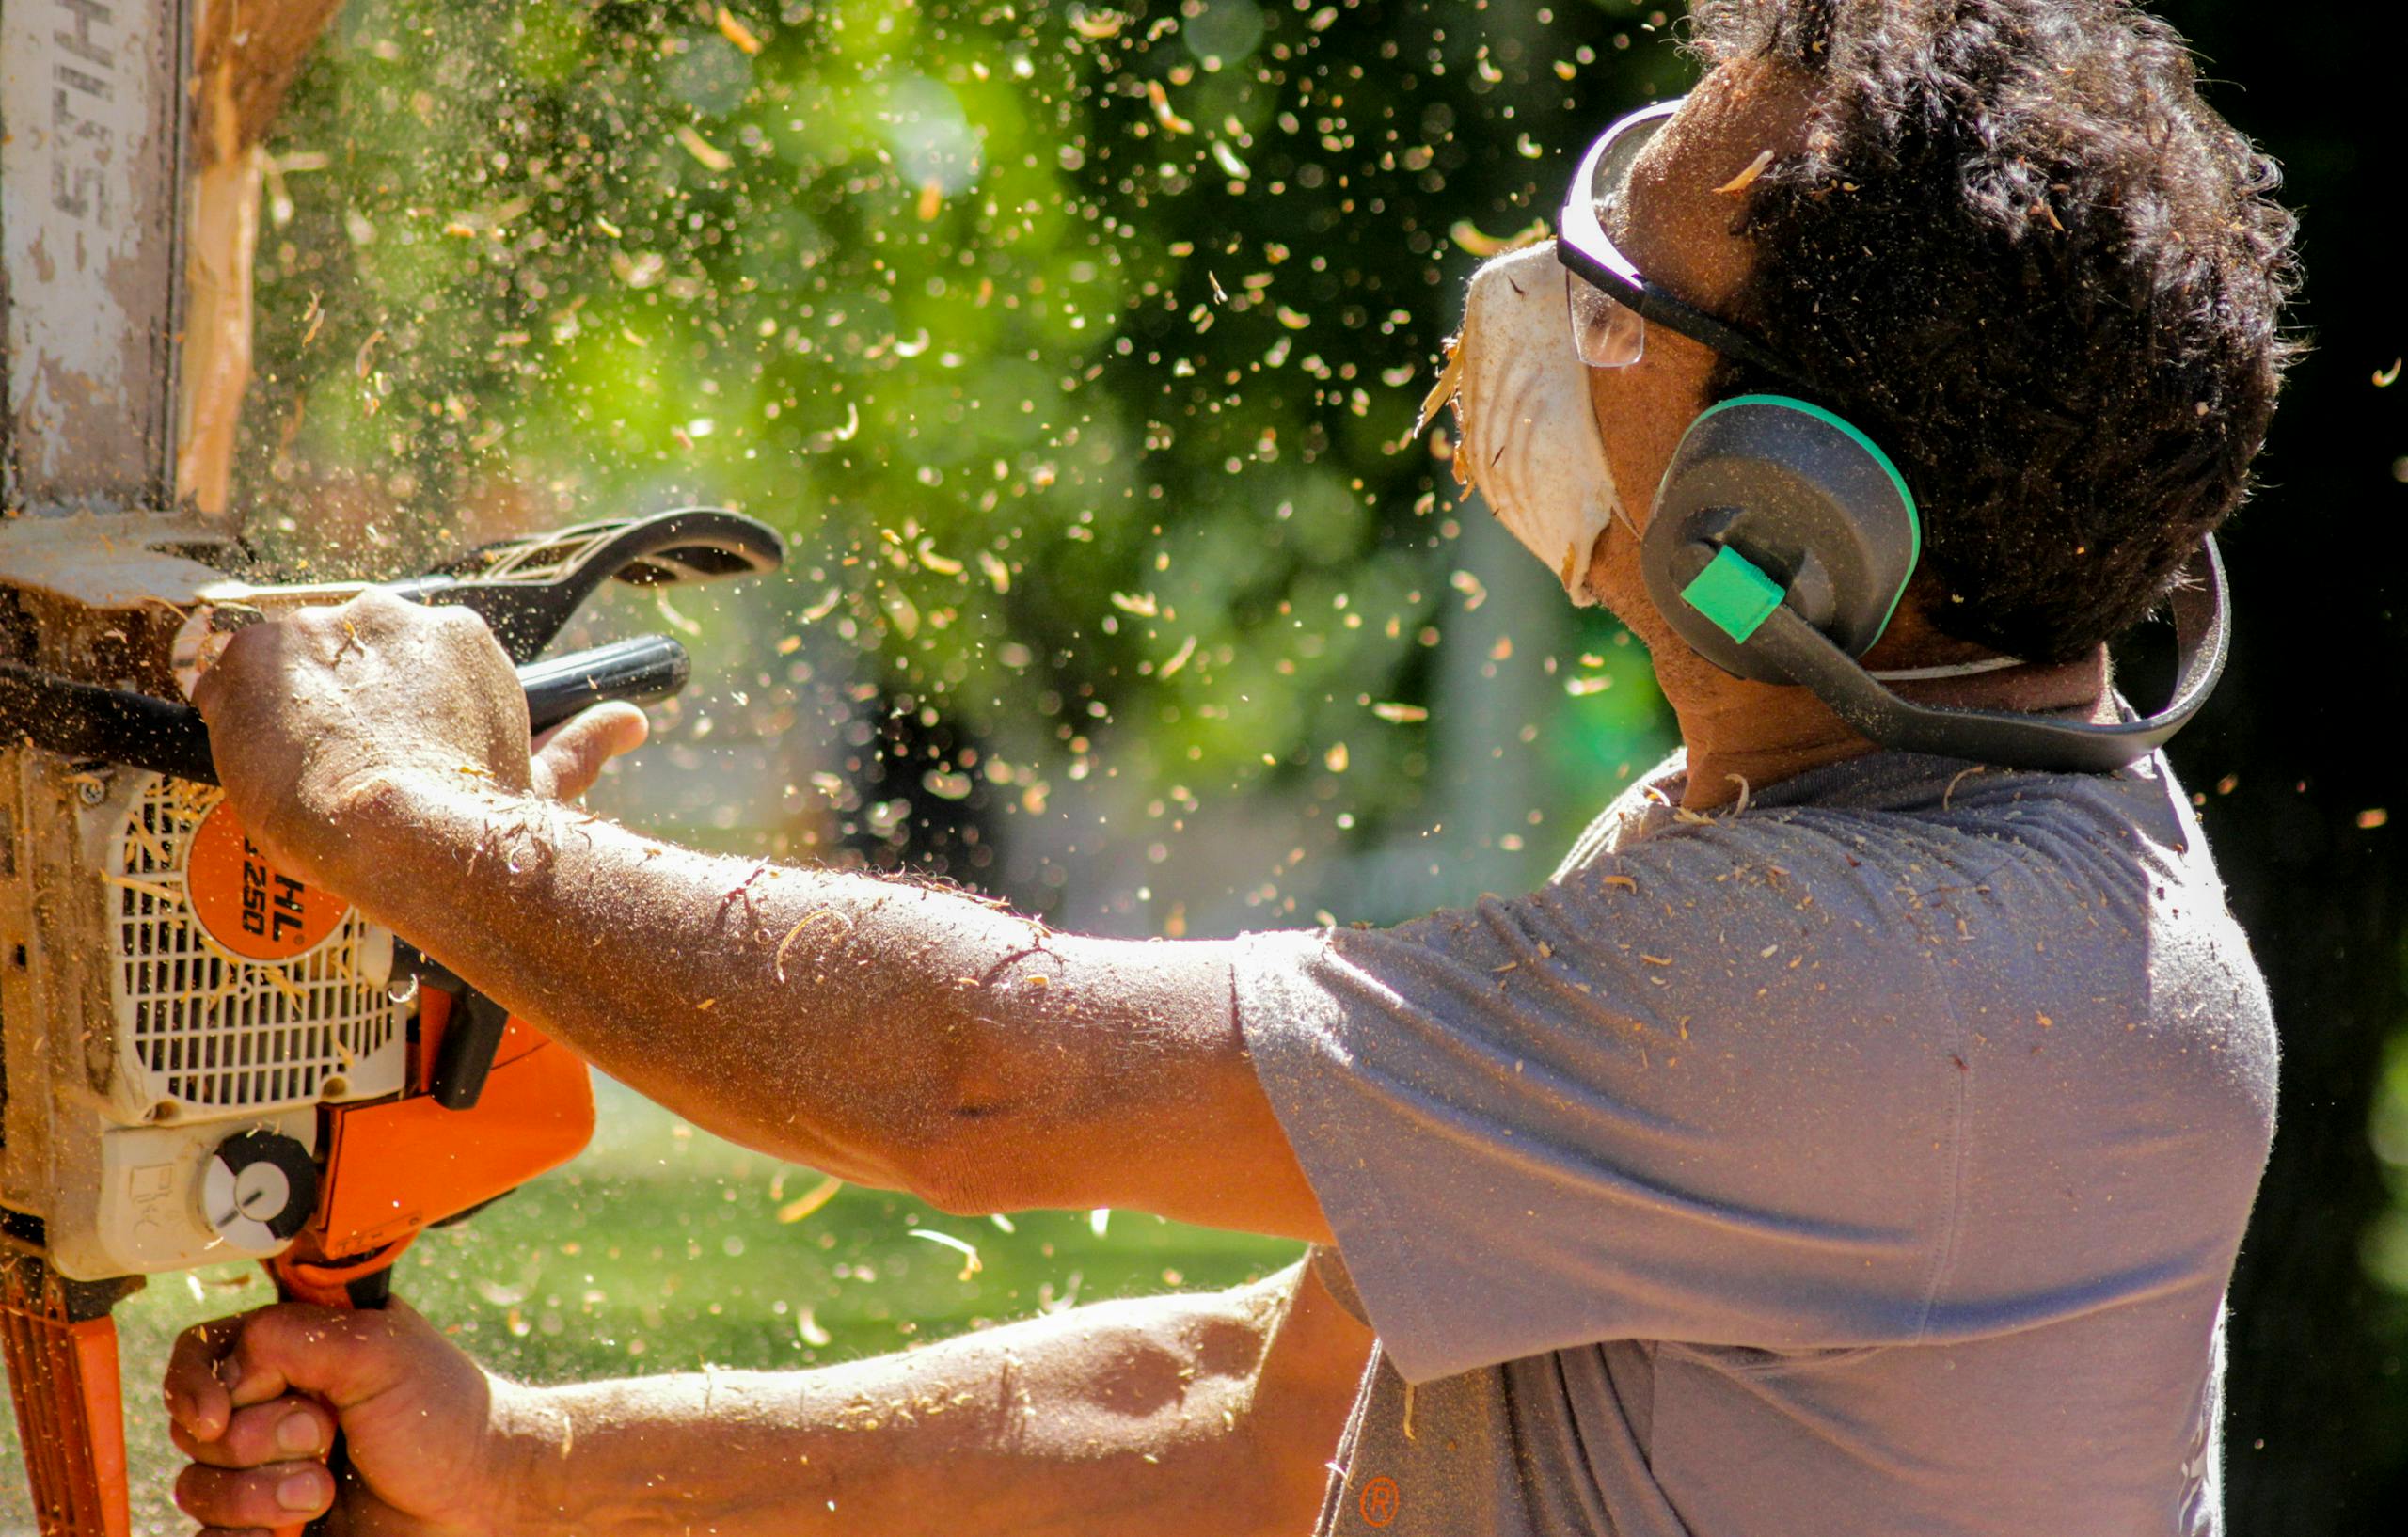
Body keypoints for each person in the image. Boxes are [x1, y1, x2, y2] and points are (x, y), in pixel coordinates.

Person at [163, 3, 2297, 1534]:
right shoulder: (1862, 842)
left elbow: (972, 1073)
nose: (1546, 314)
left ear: (1777, 530)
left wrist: (376, 806)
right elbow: (1275, 1420)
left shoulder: (1871, 990)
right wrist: (536, 1467)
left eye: (1626, 294)